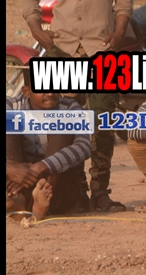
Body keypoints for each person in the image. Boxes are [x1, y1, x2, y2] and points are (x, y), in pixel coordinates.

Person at [19, 0, 133, 213]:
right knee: (62, 124)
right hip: (63, 47)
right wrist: (36, 28)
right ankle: (75, 191)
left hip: (103, 47)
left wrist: (120, 27)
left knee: (102, 125)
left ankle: (100, 192)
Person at [6, 67, 91, 219]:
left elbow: (84, 147)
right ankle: (19, 199)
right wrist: (11, 169)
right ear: (26, 92)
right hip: (15, 181)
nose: (50, 93)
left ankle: (41, 198)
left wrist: (43, 166)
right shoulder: (11, 107)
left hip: (57, 186)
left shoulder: (70, 108)